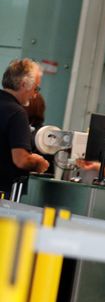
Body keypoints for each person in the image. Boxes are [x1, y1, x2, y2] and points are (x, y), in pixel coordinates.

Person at [0, 59, 48, 198]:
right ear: (23, 84)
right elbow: (21, 160)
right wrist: (39, 163)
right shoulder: (17, 113)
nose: (35, 94)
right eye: (36, 88)